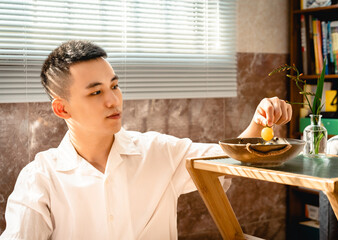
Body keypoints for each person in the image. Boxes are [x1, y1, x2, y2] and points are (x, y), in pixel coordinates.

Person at [0, 40, 292, 240]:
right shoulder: (40, 179)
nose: (114, 100)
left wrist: (258, 120)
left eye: (114, 86)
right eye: (96, 92)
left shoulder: (158, 151)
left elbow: (227, 159)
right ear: (62, 108)